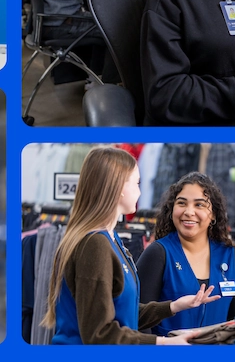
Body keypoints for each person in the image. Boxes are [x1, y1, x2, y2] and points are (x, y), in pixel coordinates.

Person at [42, 147, 217, 344]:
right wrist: (163, 343)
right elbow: (99, 334)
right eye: (136, 183)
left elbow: (124, 313)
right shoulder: (95, 245)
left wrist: (174, 306)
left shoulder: (111, 239)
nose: (140, 191)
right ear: (119, 188)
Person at [137, 172, 235, 335]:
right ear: (172, 210)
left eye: (199, 205)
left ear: (213, 214)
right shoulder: (158, 254)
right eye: (182, 203)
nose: (189, 212)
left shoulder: (231, 256)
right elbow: (139, 320)